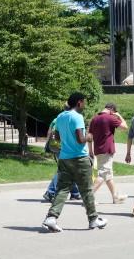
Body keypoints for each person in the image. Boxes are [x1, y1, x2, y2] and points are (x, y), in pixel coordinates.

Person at [41, 92, 107, 232]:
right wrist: (89, 136)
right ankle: (93, 219)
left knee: (62, 189)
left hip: (64, 158)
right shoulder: (77, 117)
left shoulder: (60, 116)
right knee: (87, 190)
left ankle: (51, 218)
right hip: (79, 158)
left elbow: (57, 136)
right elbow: (80, 139)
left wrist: (67, 139)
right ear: (79, 102)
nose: (85, 105)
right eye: (84, 102)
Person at [87, 102, 128, 204]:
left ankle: (116, 197)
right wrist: (119, 116)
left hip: (98, 150)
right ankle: (88, 197)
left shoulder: (94, 119)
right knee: (103, 174)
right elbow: (125, 127)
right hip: (107, 150)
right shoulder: (110, 118)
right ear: (112, 110)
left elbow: (89, 136)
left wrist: (90, 150)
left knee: (108, 175)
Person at [43, 104, 81, 202]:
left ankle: (75, 193)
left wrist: (47, 145)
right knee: (63, 170)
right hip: (65, 148)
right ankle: (50, 192)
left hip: (55, 147)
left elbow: (49, 132)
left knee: (71, 170)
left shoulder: (57, 119)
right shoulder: (70, 119)